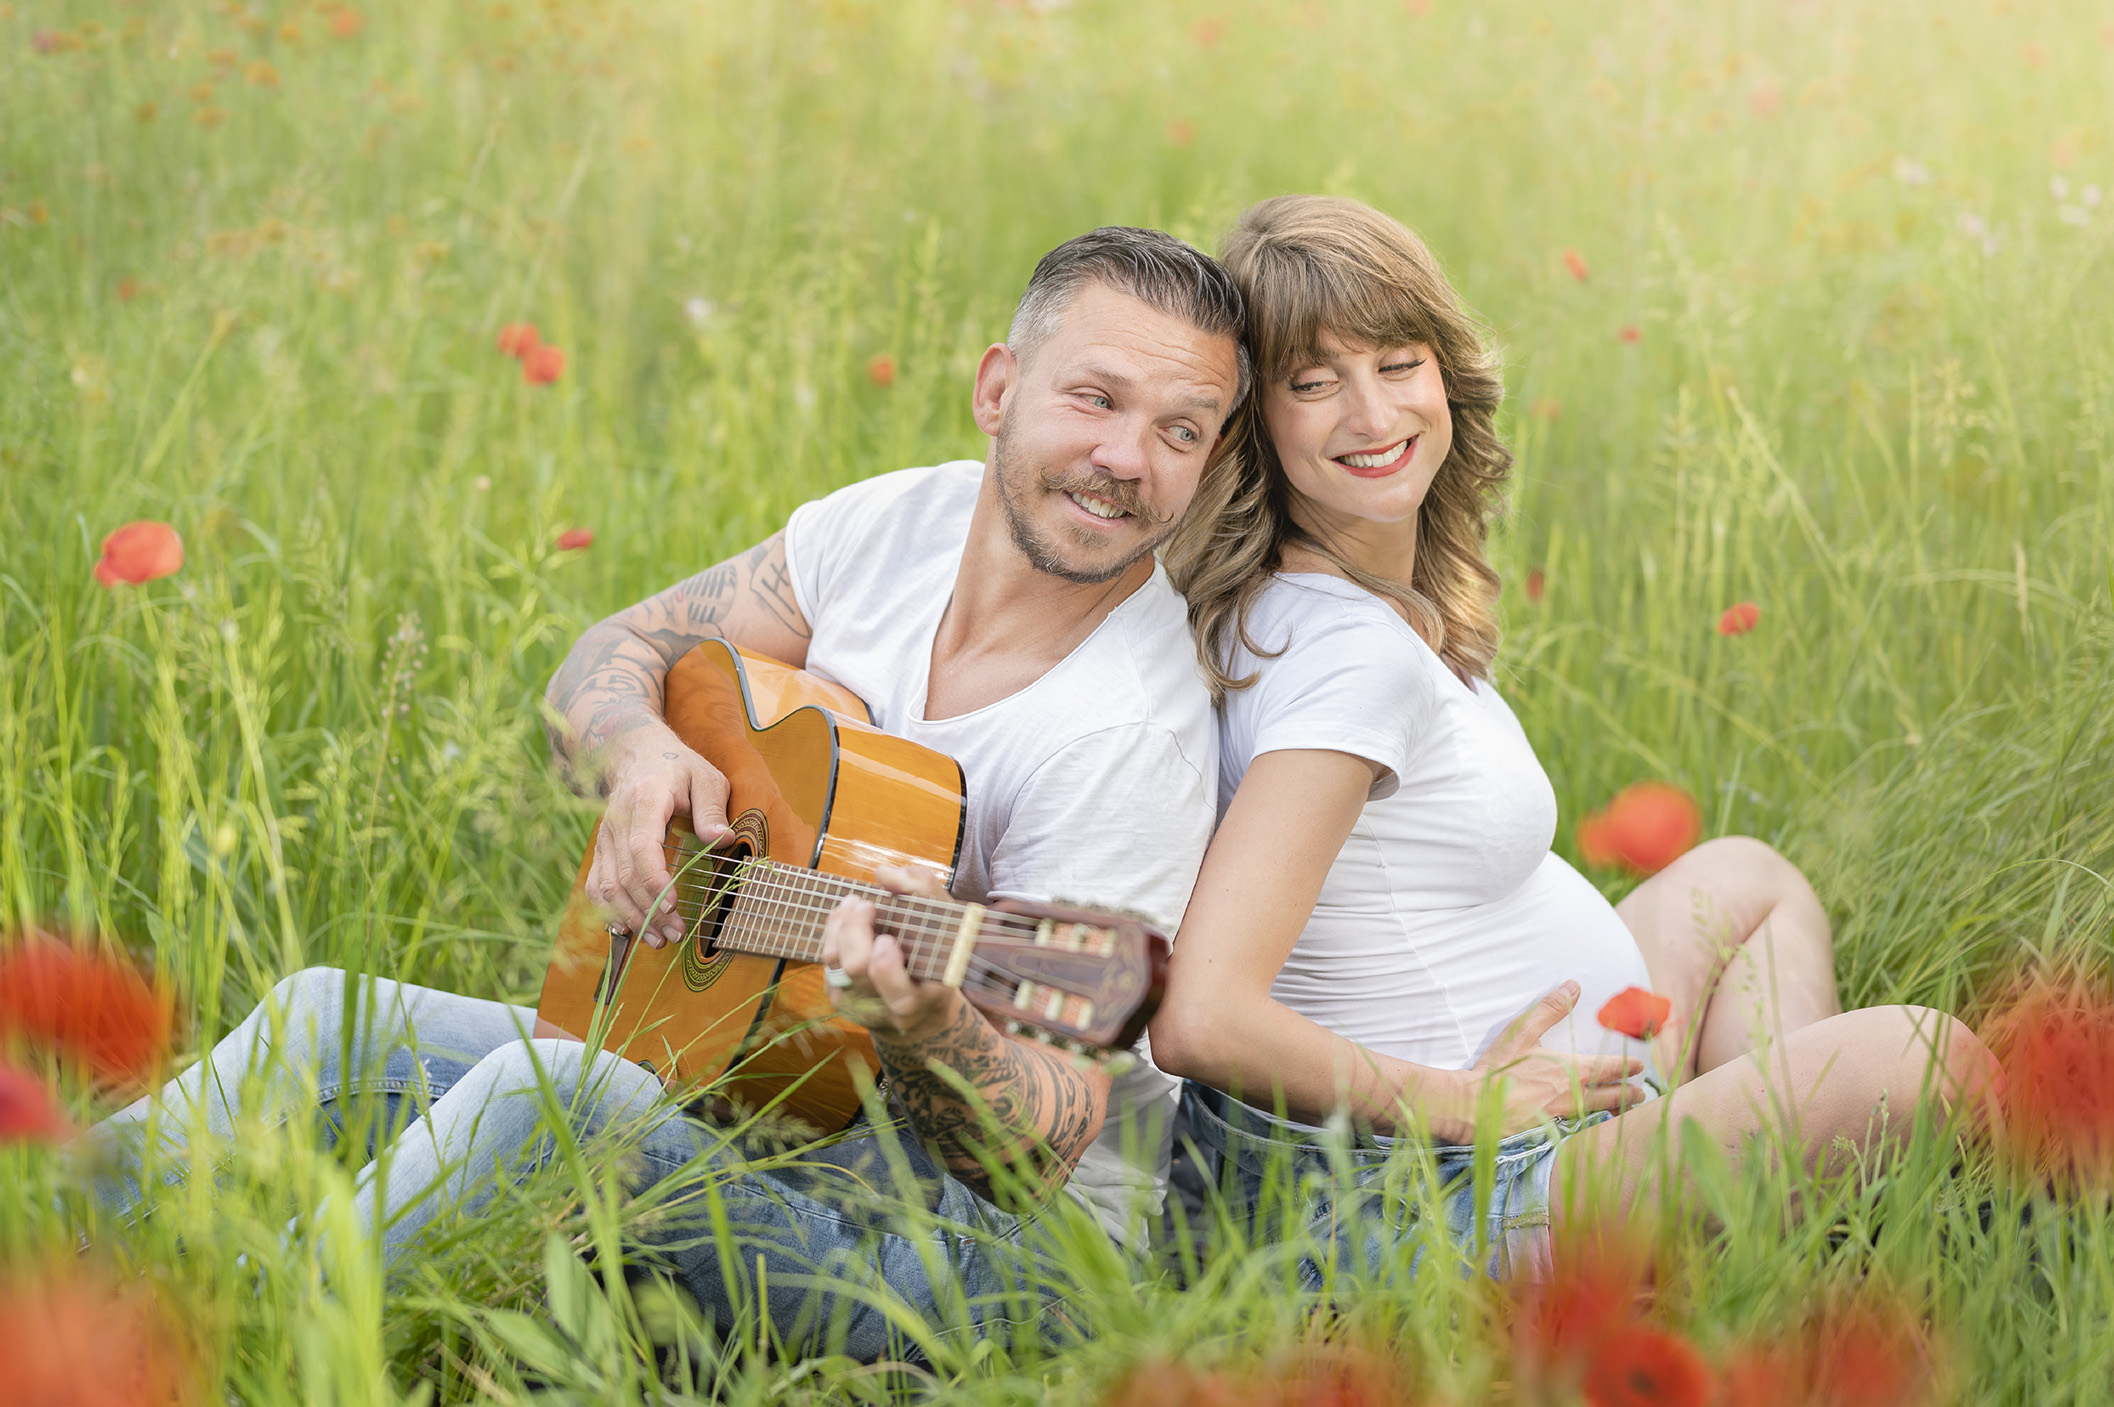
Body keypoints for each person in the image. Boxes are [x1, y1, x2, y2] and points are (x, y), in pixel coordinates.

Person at [88, 226, 1248, 1359]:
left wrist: (927, 1025)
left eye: (1179, 430)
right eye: (1092, 398)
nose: (1126, 458)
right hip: (769, 1082)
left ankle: (212, 1357)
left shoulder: (1126, 737)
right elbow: (616, 648)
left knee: (561, 1091)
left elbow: (1044, 1149)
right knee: (316, 1016)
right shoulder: (902, 522)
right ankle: (50, 1242)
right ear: (998, 388)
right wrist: (638, 755)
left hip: (990, 1259)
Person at [1150, 195, 1998, 1278]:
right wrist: (1457, 1104)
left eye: (1396, 362)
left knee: (1742, 878)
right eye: (1312, 383)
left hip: (1523, 1112)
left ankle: (1758, 1220)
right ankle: (1753, 1221)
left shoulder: (1339, 598)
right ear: (1254, 426)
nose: (1370, 413)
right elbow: (1203, 1015)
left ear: (1443, 371)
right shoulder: (1341, 659)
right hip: (1433, 1194)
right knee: (1928, 1061)